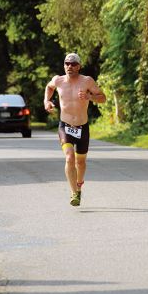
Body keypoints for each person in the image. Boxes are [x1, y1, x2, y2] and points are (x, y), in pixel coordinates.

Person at [44, 53, 106, 206]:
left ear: (79, 66)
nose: (69, 66)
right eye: (67, 63)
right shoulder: (58, 80)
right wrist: (47, 101)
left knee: (81, 162)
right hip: (65, 126)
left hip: (82, 127)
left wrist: (90, 97)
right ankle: (74, 193)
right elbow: (49, 87)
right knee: (69, 157)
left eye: (73, 64)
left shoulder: (87, 81)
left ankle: (79, 185)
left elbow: (103, 98)